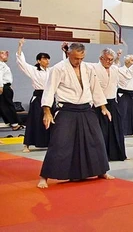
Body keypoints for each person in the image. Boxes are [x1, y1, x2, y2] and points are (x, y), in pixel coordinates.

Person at [38, 42, 115, 188]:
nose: (78, 61)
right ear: (69, 54)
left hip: (86, 109)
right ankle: (44, 176)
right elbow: (49, 90)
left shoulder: (88, 68)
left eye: (81, 58)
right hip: (67, 110)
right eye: (75, 58)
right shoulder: (58, 68)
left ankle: (101, 171)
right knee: (59, 143)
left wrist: (103, 107)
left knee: (96, 140)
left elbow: (95, 88)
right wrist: (47, 112)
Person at [16, 39, 52, 152]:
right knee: (34, 120)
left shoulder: (51, 71)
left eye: (48, 58)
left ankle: (51, 142)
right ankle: (26, 144)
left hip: (49, 97)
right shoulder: (33, 70)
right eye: (44, 58)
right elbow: (21, 63)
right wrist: (20, 46)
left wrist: (65, 51)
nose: (47, 60)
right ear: (38, 60)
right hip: (38, 97)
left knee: (51, 120)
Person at [0, 49, 22, 131]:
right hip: (3, 87)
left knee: (5, 106)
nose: (6, 55)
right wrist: (1, 86)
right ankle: (14, 124)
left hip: (5, 86)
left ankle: (14, 122)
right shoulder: (1, 65)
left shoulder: (3, 65)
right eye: (4, 53)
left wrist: (8, 85)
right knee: (7, 106)